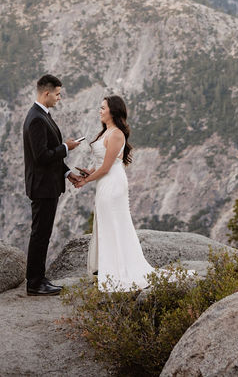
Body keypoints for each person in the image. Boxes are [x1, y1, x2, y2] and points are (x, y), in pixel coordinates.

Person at [75, 95, 156, 291]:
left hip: (112, 184)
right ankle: (108, 267)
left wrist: (85, 181)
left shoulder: (117, 134)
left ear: (113, 111)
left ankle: (117, 269)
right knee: (105, 222)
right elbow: (99, 166)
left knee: (114, 223)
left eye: (103, 108)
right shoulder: (106, 132)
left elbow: (107, 167)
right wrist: (88, 172)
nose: (100, 110)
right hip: (104, 182)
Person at [23, 74, 83, 296]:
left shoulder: (42, 115)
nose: (59, 98)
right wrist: (67, 148)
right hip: (42, 187)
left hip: (47, 184)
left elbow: (50, 156)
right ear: (46, 93)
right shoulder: (37, 118)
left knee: (43, 233)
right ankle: (35, 283)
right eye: (57, 94)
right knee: (40, 234)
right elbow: (41, 156)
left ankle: (38, 277)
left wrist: (66, 172)